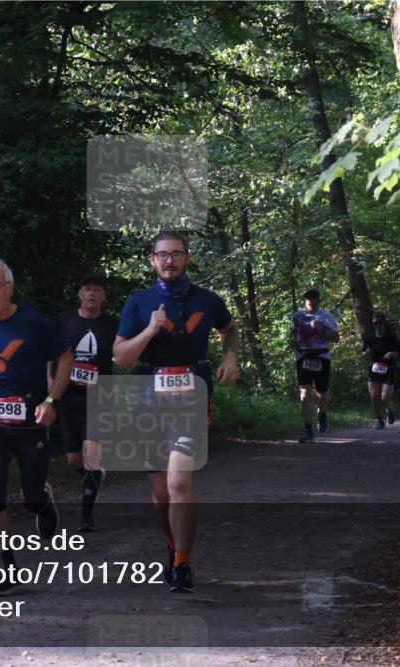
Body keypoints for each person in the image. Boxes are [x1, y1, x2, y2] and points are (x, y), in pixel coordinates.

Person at [113, 231, 239, 593]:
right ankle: (171, 547)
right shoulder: (138, 303)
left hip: (192, 399)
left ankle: (183, 561)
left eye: (176, 254)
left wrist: (231, 355)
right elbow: (121, 358)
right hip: (148, 402)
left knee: (178, 481)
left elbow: (230, 330)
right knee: (160, 492)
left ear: (187, 258)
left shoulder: (208, 300)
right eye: (162, 255)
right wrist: (151, 329)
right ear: (152, 260)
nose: (169, 260)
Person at [0, 256, 74, 595]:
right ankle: (8, 568)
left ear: (10, 288)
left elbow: (67, 358)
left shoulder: (34, 323)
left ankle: (43, 501)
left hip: (30, 418)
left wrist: (51, 401)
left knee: (31, 496)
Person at [49, 274, 119, 532]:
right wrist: (49, 376)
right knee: (73, 460)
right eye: (87, 289)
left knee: (91, 453)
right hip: (69, 396)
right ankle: (94, 476)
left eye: (97, 290)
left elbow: (123, 353)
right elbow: (51, 351)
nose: (91, 294)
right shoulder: (64, 320)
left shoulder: (113, 324)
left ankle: (86, 516)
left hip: (100, 396)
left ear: (104, 296)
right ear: (79, 294)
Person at [291, 289, 340, 443]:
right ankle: (307, 429)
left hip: (321, 357)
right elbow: (293, 338)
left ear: (318, 300)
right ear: (304, 301)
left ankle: (322, 414)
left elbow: (337, 338)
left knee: (322, 393)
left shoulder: (326, 316)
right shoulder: (297, 317)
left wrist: (322, 329)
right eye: (307, 299)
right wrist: (293, 343)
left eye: (313, 299)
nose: (310, 301)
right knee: (305, 393)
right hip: (303, 357)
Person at [361, 312, 400, 430]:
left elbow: (399, 353)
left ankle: (389, 409)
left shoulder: (391, 337)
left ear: (384, 323)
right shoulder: (370, 337)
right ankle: (379, 420)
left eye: (379, 323)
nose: (377, 325)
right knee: (374, 396)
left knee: (384, 398)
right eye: (374, 323)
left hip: (389, 370)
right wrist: (366, 353)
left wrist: (392, 353)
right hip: (374, 369)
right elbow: (363, 352)